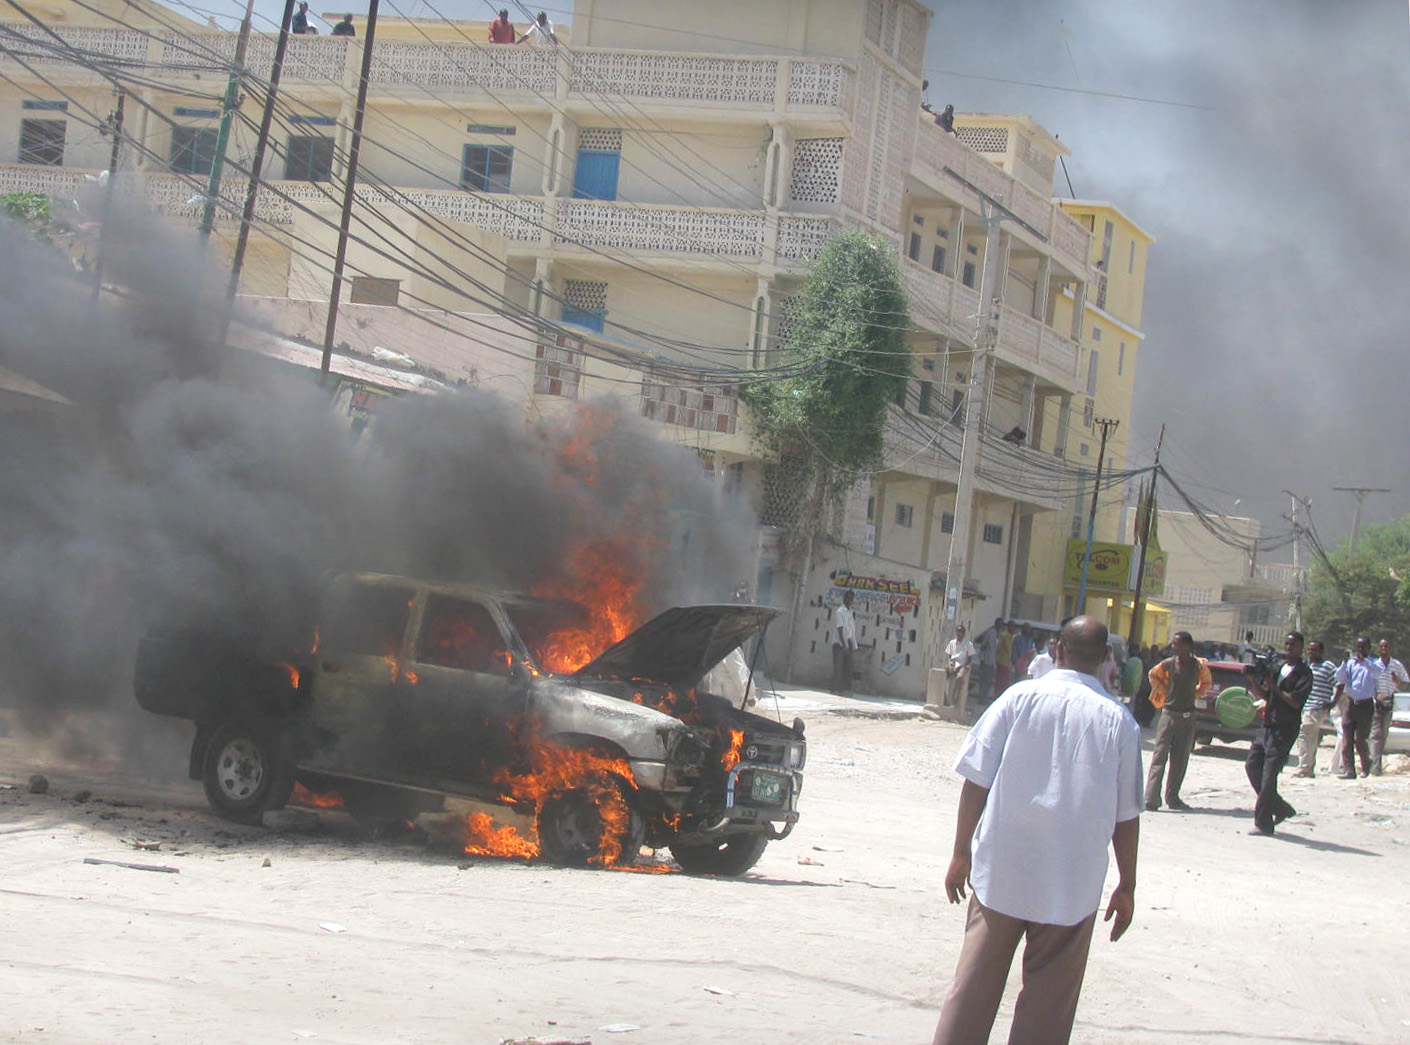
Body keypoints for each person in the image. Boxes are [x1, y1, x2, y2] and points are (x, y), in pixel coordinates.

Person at [931, 616, 1142, 1045]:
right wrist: (1127, 884)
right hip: (1072, 882)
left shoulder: (1018, 698)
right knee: (1047, 1009)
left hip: (1002, 872)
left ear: (1056, 650)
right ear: (1105, 659)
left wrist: (960, 852)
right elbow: (1127, 816)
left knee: (972, 991)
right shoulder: (1120, 723)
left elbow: (976, 780)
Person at [1244, 632, 1313, 835]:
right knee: (1252, 766)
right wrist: (1254, 680)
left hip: (1284, 728)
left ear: (1301, 647)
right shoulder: (1279, 668)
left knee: (1268, 776)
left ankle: (1263, 823)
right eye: (1287, 643)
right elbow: (1267, 694)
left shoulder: (1304, 673)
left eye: (1293, 644)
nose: (1289, 647)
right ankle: (1280, 807)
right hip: (1268, 726)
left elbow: (1295, 702)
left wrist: (1273, 685)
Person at [1144, 631, 1211, 811]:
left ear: (1188, 646)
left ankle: (1173, 798)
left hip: (1188, 717)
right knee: (1159, 757)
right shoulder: (1168, 664)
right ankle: (1151, 798)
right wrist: (1163, 691)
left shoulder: (1198, 666)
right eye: (1173, 644)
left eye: (1178, 644)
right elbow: (1152, 675)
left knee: (1180, 759)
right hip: (1169, 715)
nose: (1174, 647)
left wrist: (1195, 694)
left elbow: (1206, 683)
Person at [1292, 640, 1340, 778]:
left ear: (1321, 652)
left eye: (1314, 650)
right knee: (1309, 738)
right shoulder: (1308, 666)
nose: (1311, 653)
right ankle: (1308, 768)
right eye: (1309, 650)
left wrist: (1333, 701)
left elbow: (1339, 683)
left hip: (1317, 706)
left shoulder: (1327, 666)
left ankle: (1304, 768)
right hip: (1306, 706)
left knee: (1305, 734)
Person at [1333, 636, 1378, 778]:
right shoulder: (1351, 664)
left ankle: (1366, 765)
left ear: (1369, 648)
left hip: (1366, 705)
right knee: (1347, 739)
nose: (1360, 650)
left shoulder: (1373, 664)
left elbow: (1378, 673)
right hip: (1351, 704)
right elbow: (1339, 678)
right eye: (1358, 647)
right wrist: (1344, 662)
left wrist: (1365, 661)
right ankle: (1349, 770)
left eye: (1363, 647)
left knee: (1360, 740)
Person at [1369, 638, 1407, 775]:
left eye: (1386, 646)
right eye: (1382, 646)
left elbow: (1405, 684)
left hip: (1389, 703)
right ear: (1378, 648)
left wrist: (1398, 681)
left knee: (1383, 734)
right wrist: (1376, 694)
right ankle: (1375, 766)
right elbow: (1367, 683)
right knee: (1375, 734)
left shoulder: (1396, 665)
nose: (1384, 649)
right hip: (1375, 703)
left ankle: (1376, 764)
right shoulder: (1374, 665)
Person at [830, 590, 857, 697]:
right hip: (839, 643)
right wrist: (843, 644)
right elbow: (840, 629)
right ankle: (835, 689)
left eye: (852, 599)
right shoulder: (840, 611)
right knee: (838, 667)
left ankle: (845, 690)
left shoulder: (850, 611)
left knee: (848, 667)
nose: (850, 601)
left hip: (849, 641)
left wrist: (853, 645)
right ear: (844, 599)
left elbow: (851, 629)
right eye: (848, 598)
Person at [944, 624, 977, 709]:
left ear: (964, 633)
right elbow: (949, 656)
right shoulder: (952, 643)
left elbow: (969, 659)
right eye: (958, 632)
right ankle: (944, 697)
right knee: (942, 674)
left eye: (961, 632)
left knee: (959, 677)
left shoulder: (968, 644)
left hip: (963, 664)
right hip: (953, 663)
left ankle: (955, 700)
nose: (959, 634)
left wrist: (959, 667)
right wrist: (950, 665)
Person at [976, 617, 1001, 701]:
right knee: (983, 680)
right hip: (986, 660)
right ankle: (981, 698)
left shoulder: (999, 634)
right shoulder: (991, 632)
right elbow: (983, 644)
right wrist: (982, 658)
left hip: (992, 661)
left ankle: (985, 697)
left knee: (989, 681)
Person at [994, 621, 1014, 696]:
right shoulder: (1004, 635)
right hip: (1002, 661)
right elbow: (998, 647)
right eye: (1011, 627)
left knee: (1005, 681)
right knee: (1000, 680)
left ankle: (1001, 694)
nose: (1013, 629)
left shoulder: (1011, 636)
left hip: (1007, 662)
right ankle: (997, 695)